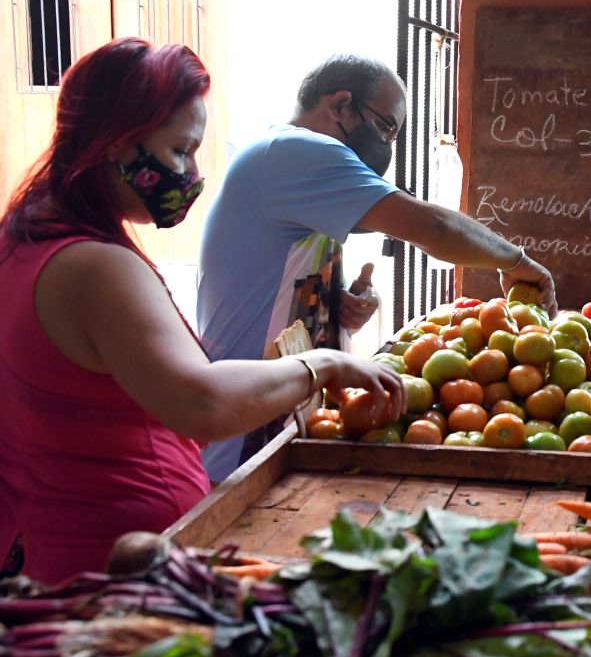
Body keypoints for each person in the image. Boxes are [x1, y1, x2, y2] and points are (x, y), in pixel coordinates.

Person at [0, 39, 403, 585]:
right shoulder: (93, 266)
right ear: (118, 144)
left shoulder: (24, 236)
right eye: (180, 151)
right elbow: (201, 403)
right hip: (117, 572)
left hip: (70, 548)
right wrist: (322, 366)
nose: (191, 174)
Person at [197, 54, 558, 482]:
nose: (386, 144)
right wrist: (518, 261)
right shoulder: (297, 152)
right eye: (386, 126)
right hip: (245, 434)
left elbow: (280, 277)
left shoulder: (291, 164)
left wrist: (346, 301)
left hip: (280, 417)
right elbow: (433, 227)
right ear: (340, 106)